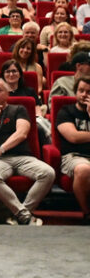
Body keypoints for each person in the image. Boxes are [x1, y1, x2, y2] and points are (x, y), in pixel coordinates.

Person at [0, 79, 54, 225]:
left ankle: (20, 214)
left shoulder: (18, 109)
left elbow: (22, 133)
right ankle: (24, 215)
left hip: (23, 157)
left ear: (7, 93)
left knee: (48, 173)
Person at [54, 75, 90, 224]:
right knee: (83, 170)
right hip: (73, 156)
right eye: (81, 90)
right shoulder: (66, 111)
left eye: (88, 92)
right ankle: (87, 213)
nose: (84, 95)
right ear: (75, 92)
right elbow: (73, 137)